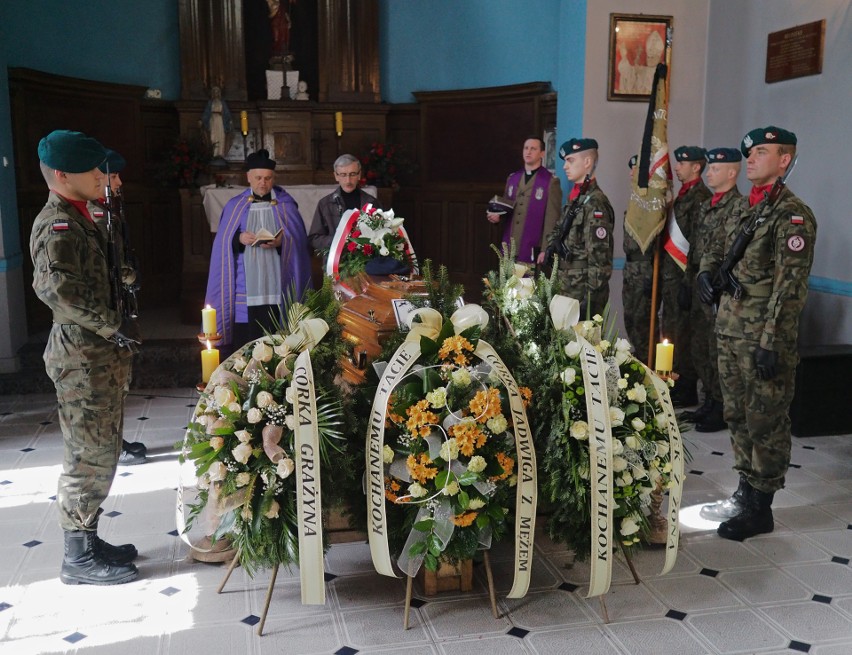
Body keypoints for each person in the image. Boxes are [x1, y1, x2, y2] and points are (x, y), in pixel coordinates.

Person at [30, 130, 140, 585]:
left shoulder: (82, 216)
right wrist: (111, 324)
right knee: (85, 456)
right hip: (82, 354)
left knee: (104, 448)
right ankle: (76, 557)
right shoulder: (54, 222)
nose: (102, 175)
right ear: (62, 175)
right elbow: (54, 289)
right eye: (92, 170)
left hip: (98, 353)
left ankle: (89, 537)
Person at [697, 126, 816, 541]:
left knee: (765, 420)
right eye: (749, 153)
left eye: (761, 152)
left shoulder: (792, 215)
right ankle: (745, 491)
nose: (750, 159)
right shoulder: (743, 208)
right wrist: (706, 273)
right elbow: (714, 245)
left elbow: (789, 289)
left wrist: (771, 344)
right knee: (738, 415)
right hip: (729, 333)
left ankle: (761, 507)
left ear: (784, 160)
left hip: (762, 340)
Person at [205, 148, 312, 352]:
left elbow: (298, 240)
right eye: (258, 178)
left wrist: (282, 242)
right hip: (245, 285)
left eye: (268, 178)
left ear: (273, 178)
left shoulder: (286, 205)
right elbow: (222, 243)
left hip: (276, 282)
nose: (263, 183)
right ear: (248, 177)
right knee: (246, 340)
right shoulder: (234, 206)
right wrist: (239, 237)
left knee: (276, 336)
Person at [94, 149, 147, 465]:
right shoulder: (95, 215)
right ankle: (108, 447)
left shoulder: (109, 210)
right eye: (114, 176)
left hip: (116, 310)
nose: (119, 182)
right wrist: (128, 274)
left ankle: (115, 441)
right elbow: (107, 263)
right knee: (106, 390)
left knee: (118, 386)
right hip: (103, 318)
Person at [685, 147, 742, 433]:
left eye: (715, 169)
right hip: (700, 281)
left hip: (718, 288)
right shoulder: (707, 205)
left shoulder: (738, 207)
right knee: (701, 345)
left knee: (717, 347)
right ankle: (709, 399)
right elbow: (697, 249)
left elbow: (730, 250)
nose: (709, 172)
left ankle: (721, 405)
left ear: (732, 172)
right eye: (708, 168)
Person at [541, 137, 614, 316]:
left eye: (570, 161)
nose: (565, 166)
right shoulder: (576, 200)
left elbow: (599, 258)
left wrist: (590, 301)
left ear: (587, 162)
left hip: (582, 293)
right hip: (567, 286)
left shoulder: (595, 202)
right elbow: (559, 233)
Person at [662, 145, 711, 406]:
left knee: (685, 334)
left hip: (686, 278)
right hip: (672, 278)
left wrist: (686, 282)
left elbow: (696, 244)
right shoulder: (682, 196)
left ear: (696, 167)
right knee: (671, 331)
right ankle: (675, 381)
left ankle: (687, 385)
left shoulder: (701, 197)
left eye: (682, 163)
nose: (677, 167)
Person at [488, 137, 562, 265]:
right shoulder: (512, 178)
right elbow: (505, 209)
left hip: (532, 247)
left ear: (542, 153)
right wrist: (496, 217)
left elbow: (552, 220)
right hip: (509, 247)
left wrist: (546, 249)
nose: (528, 152)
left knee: (528, 284)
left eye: (533, 149)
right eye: (526, 148)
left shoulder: (550, 181)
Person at [307, 153, 381, 252]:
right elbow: (314, 239)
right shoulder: (325, 204)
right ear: (336, 176)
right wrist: (338, 241)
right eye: (343, 175)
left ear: (359, 175)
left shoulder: (371, 202)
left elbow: (381, 233)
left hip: (364, 260)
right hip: (335, 261)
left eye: (352, 174)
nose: (348, 180)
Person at [621, 154, 654, 364]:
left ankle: (647, 367)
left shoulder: (652, 204)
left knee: (644, 324)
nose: (632, 173)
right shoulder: (635, 201)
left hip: (645, 269)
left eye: (636, 169)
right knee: (631, 320)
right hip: (630, 267)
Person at [201, 85, 232, 159]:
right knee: (213, 136)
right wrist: (202, 120)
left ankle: (220, 154)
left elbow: (227, 113)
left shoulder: (222, 103)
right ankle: (214, 154)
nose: (216, 93)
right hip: (213, 120)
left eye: (217, 92)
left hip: (221, 121)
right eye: (214, 92)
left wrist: (229, 120)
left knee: (221, 136)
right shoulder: (210, 103)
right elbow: (206, 113)